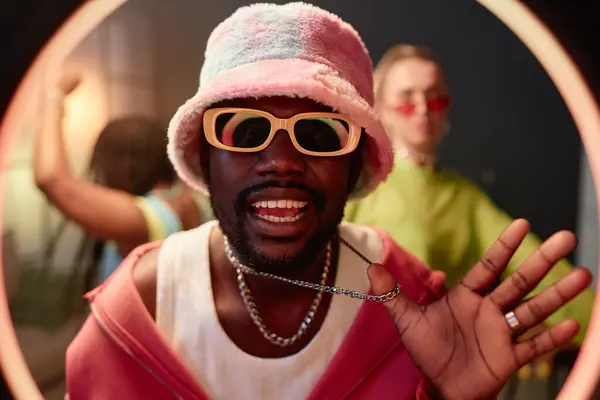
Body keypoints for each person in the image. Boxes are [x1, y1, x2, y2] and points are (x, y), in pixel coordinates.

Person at [64, 4, 592, 399]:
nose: (281, 161)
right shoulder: (138, 310)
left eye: (318, 134)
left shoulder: (413, 301)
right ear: (204, 157)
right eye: (245, 129)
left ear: (356, 163)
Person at [344, 44, 594, 349]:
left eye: (434, 99)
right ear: (380, 108)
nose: (423, 108)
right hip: (355, 354)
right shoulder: (357, 183)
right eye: (407, 99)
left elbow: (537, 265)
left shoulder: (464, 198)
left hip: (438, 362)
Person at [34, 74, 203, 287]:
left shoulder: (148, 218)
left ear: (125, 166)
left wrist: (54, 96)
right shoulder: (183, 198)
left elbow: (50, 177)